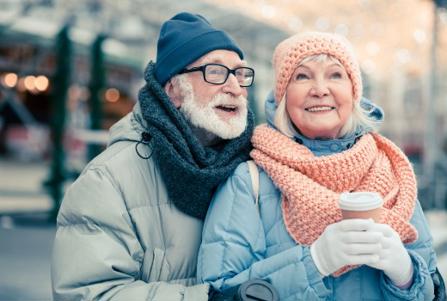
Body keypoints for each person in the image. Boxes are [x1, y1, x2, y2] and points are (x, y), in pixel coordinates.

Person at [198, 32, 437, 300]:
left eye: (335, 75)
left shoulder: (393, 173)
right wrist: (314, 263)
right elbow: (218, 293)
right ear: (283, 95)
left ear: (353, 92)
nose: (320, 89)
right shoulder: (250, 181)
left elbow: (434, 289)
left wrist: (407, 276)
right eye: (302, 76)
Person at [51, 12, 255, 301]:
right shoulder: (108, 180)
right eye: (216, 72)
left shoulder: (256, 166)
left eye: (240, 73)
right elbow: (90, 293)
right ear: (173, 90)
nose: (234, 87)